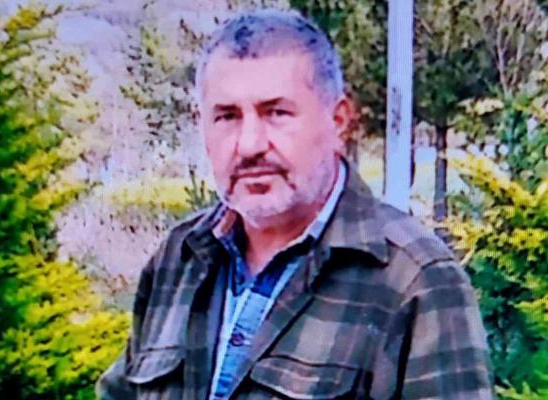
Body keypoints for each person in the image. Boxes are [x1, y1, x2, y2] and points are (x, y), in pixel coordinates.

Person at [97, 8, 493, 400]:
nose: (249, 145)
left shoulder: (413, 278)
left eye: (276, 113)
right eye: (227, 116)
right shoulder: (179, 257)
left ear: (338, 120)